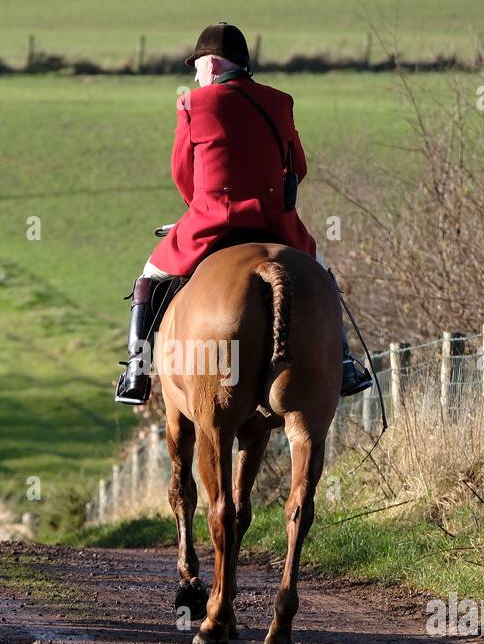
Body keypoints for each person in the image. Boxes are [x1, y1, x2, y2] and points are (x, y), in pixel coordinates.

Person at [114, 21, 373, 405]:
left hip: (209, 221)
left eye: (198, 66)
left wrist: (199, 206)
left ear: (214, 65)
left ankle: (136, 370)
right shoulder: (280, 102)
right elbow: (297, 166)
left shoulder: (191, 104)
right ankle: (346, 361)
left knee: (148, 278)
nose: (197, 75)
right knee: (322, 273)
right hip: (274, 223)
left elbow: (182, 173)